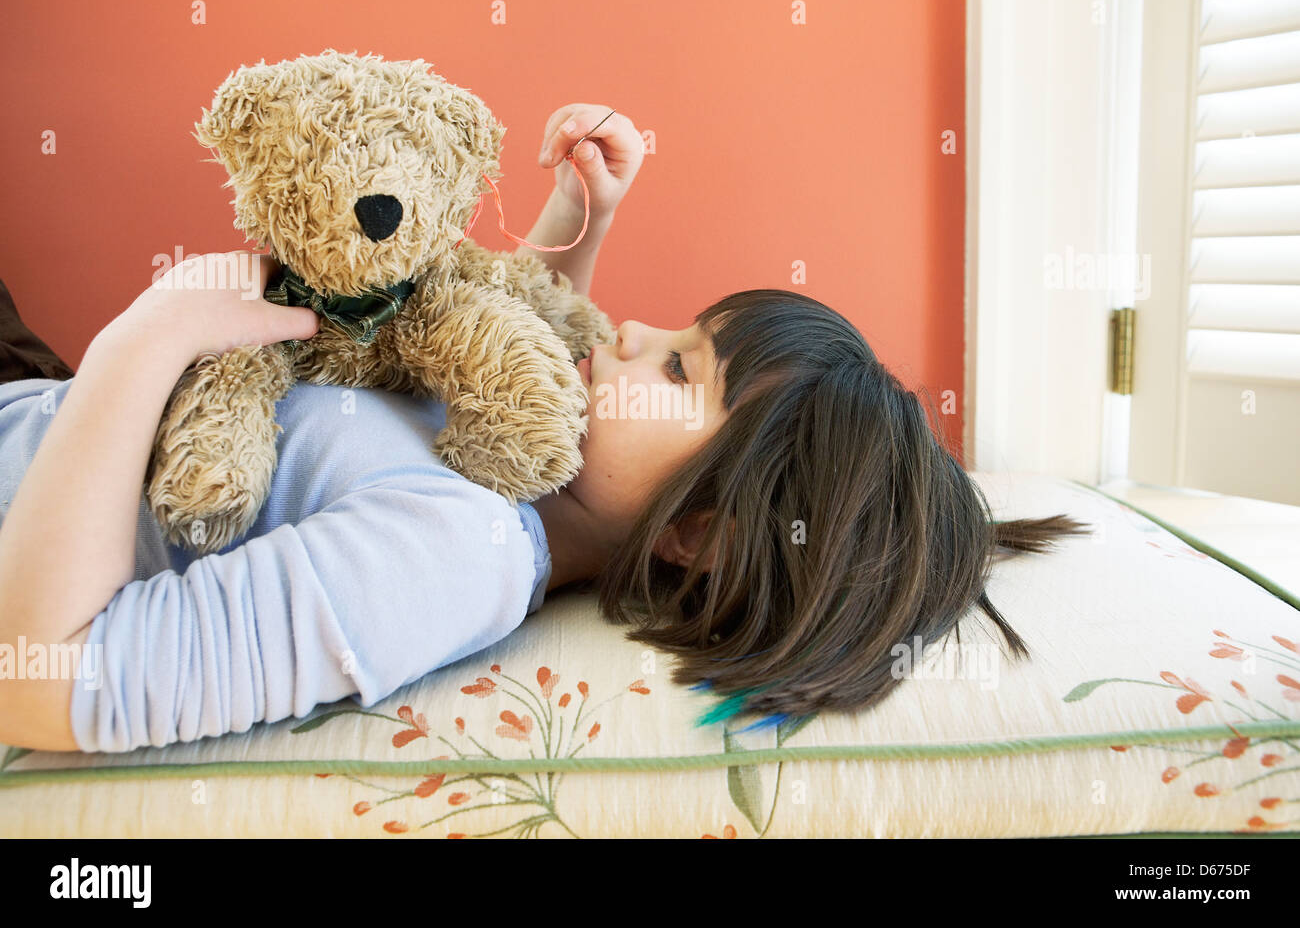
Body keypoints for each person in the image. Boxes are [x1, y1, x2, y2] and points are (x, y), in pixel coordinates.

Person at [0, 104, 1089, 755]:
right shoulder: (508, 494)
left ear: (697, 533)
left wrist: (141, 348)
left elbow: (45, 681)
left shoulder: (455, 557)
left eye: (679, 365)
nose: (631, 329)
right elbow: (484, 383)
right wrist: (580, 223)